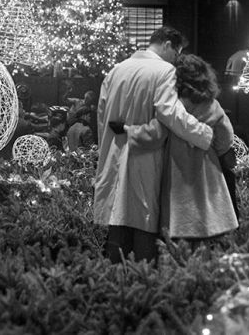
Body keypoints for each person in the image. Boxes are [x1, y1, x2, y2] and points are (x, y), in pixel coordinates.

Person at [93, 26, 217, 264]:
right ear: (167, 45)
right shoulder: (164, 70)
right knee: (144, 224)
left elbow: (101, 117)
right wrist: (203, 134)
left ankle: (111, 282)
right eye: (177, 52)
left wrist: (105, 150)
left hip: (114, 155)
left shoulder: (116, 70)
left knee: (116, 223)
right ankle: (143, 284)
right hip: (145, 157)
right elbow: (171, 113)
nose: (177, 58)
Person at [160, 54, 239, 239]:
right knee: (205, 223)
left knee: (175, 224)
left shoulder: (170, 103)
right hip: (206, 166)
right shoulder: (211, 104)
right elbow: (225, 139)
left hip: (174, 165)